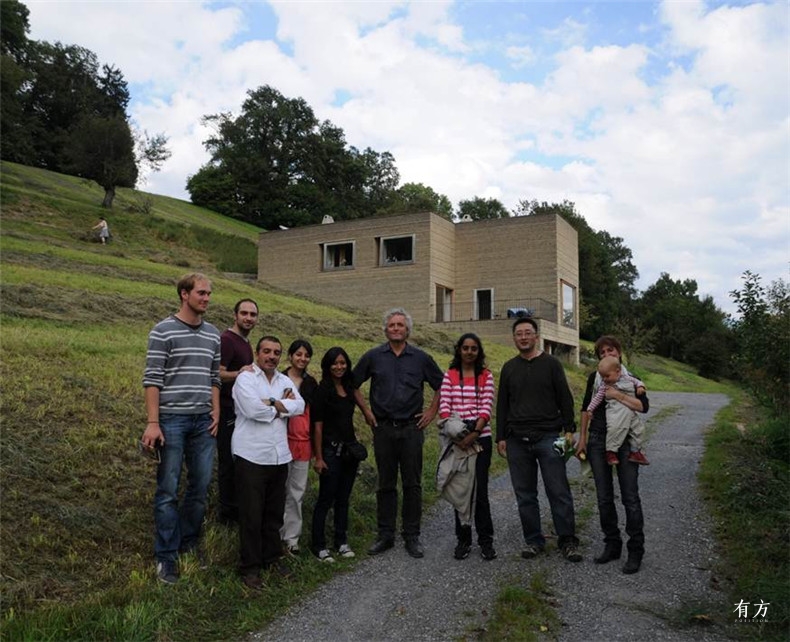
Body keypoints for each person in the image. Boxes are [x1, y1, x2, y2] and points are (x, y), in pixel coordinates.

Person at [141, 273, 221, 584]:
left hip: (203, 421)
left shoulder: (213, 334)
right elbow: (152, 379)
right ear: (184, 294)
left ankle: (189, 545)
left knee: (199, 490)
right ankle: (166, 557)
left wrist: (215, 409)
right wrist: (153, 422)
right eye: (201, 293)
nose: (206, 298)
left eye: (209, 294)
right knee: (167, 491)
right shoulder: (162, 331)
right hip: (171, 420)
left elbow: (214, 377)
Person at [353, 308, 443, 559]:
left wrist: (431, 411)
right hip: (383, 428)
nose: (395, 328)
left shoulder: (421, 358)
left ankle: (412, 535)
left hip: (412, 430)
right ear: (385, 329)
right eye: (391, 325)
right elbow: (352, 384)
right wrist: (366, 412)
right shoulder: (373, 357)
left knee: (412, 484)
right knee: (386, 483)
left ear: (407, 330)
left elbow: (442, 386)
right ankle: (385, 534)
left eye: (400, 325)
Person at [495, 317, 582, 563]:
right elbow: (502, 404)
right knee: (525, 495)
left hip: (549, 437)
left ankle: (568, 541)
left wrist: (569, 429)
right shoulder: (509, 367)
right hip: (516, 441)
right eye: (519, 334)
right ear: (514, 338)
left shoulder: (552, 364)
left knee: (558, 490)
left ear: (536, 336)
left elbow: (565, 397)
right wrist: (501, 436)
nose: (523, 337)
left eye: (527, 333)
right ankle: (534, 541)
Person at [232, 335, 305, 590]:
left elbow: (301, 405)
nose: (271, 356)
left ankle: (271, 558)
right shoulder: (245, 379)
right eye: (266, 351)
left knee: (273, 513)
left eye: (276, 352)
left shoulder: (285, 380)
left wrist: (272, 402)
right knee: (251, 514)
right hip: (251, 455)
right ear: (257, 352)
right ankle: (250, 567)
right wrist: (281, 406)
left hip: (279, 455)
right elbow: (253, 410)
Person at [576, 335, 649, 574]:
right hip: (598, 441)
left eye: (611, 350)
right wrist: (583, 439)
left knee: (630, 496)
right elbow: (587, 409)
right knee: (604, 497)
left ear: (619, 352)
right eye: (602, 352)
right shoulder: (595, 378)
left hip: (626, 440)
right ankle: (612, 544)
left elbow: (643, 407)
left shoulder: (629, 378)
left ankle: (636, 549)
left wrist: (618, 395)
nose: (607, 354)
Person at [438, 333, 497, 561]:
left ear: (478, 351)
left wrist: (473, 434)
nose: (469, 352)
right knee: (460, 491)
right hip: (456, 439)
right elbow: (445, 407)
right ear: (459, 350)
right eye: (465, 348)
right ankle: (463, 540)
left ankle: (486, 541)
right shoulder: (450, 375)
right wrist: (457, 433)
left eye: (474, 348)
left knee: (480, 492)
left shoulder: (486, 376)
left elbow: (486, 409)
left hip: (480, 439)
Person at [311, 347, 365, 562]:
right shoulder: (322, 390)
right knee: (326, 498)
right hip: (330, 451)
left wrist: (369, 414)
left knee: (343, 498)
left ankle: (341, 541)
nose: (339, 367)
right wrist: (319, 457)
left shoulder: (349, 387)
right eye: (335, 363)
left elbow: (360, 401)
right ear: (327, 365)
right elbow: (317, 427)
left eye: (343, 363)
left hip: (349, 451)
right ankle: (319, 546)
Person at [217, 299, 259, 526]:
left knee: (237, 462)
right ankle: (227, 515)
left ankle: (236, 510)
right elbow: (217, 373)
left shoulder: (244, 342)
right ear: (235, 315)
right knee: (227, 463)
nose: (248, 318)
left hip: (239, 411)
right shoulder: (227, 340)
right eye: (244, 313)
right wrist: (240, 373)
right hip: (224, 411)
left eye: (253, 314)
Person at [280, 339, 318, 555]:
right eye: (299, 354)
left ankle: (292, 538)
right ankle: (276, 534)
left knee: (296, 493)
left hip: (303, 443)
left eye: (306, 355)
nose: (302, 359)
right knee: (279, 491)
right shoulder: (278, 379)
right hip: (280, 442)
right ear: (290, 356)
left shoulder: (312, 383)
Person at [585, 356, 649, 466]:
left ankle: (636, 451)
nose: (604, 379)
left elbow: (638, 382)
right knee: (614, 429)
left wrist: (640, 388)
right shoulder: (604, 386)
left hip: (629, 412)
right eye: (602, 377)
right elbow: (597, 398)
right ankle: (611, 452)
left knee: (638, 430)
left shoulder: (628, 378)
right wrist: (590, 409)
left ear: (618, 372)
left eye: (607, 376)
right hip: (614, 411)